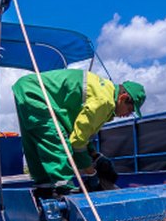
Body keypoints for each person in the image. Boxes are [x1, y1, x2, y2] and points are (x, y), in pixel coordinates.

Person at [13, 69, 145, 196]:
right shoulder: (104, 102)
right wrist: (91, 173)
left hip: (27, 88)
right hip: (37, 93)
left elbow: (79, 131)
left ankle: (44, 188)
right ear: (123, 97)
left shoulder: (104, 92)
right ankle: (65, 191)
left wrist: (94, 156)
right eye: (130, 109)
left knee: (35, 141)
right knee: (54, 139)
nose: (128, 115)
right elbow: (77, 142)